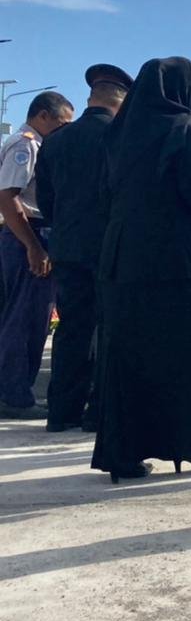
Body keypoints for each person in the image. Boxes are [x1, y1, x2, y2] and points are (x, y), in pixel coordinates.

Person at [91, 57, 191, 482]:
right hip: (167, 257)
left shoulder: (118, 130)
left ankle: (121, 453)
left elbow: (104, 195)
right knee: (181, 354)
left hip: (120, 256)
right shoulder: (181, 127)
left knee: (125, 358)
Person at [35, 66, 133, 432]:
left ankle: (61, 412)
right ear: (121, 103)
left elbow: (45, 199)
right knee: (109, 328)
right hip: (110, 247)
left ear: (92, 98)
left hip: (67, 245)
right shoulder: (121, 137)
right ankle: (98, 411)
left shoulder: (56, 140)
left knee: (72, 328)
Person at [0, 91, 74, 419]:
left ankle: (16, 391)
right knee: (25, 319)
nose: (64, 131)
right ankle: (15, 396)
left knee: (32, 318)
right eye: (61, 123)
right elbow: (8, 197)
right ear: (43, 116)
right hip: (26, 235)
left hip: (29, 234)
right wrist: (33, 246)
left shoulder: (37, 144)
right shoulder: (26, 145)